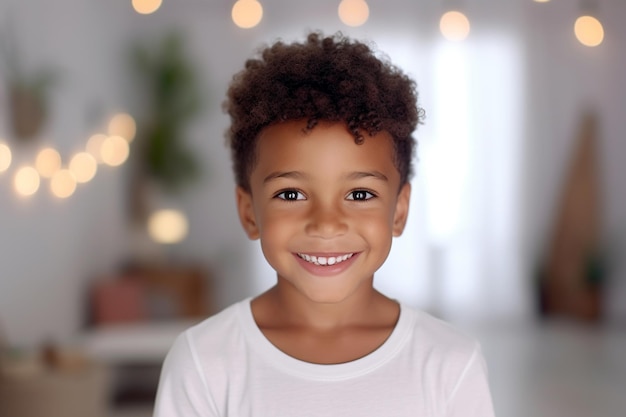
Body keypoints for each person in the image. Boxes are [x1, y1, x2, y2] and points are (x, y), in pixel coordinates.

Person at [153, 31, 495, 417]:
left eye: (360, 195)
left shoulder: (451, 363)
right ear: (250, 212)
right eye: (292, 194)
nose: (327, 225)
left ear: (398, 211)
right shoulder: (202, 362)